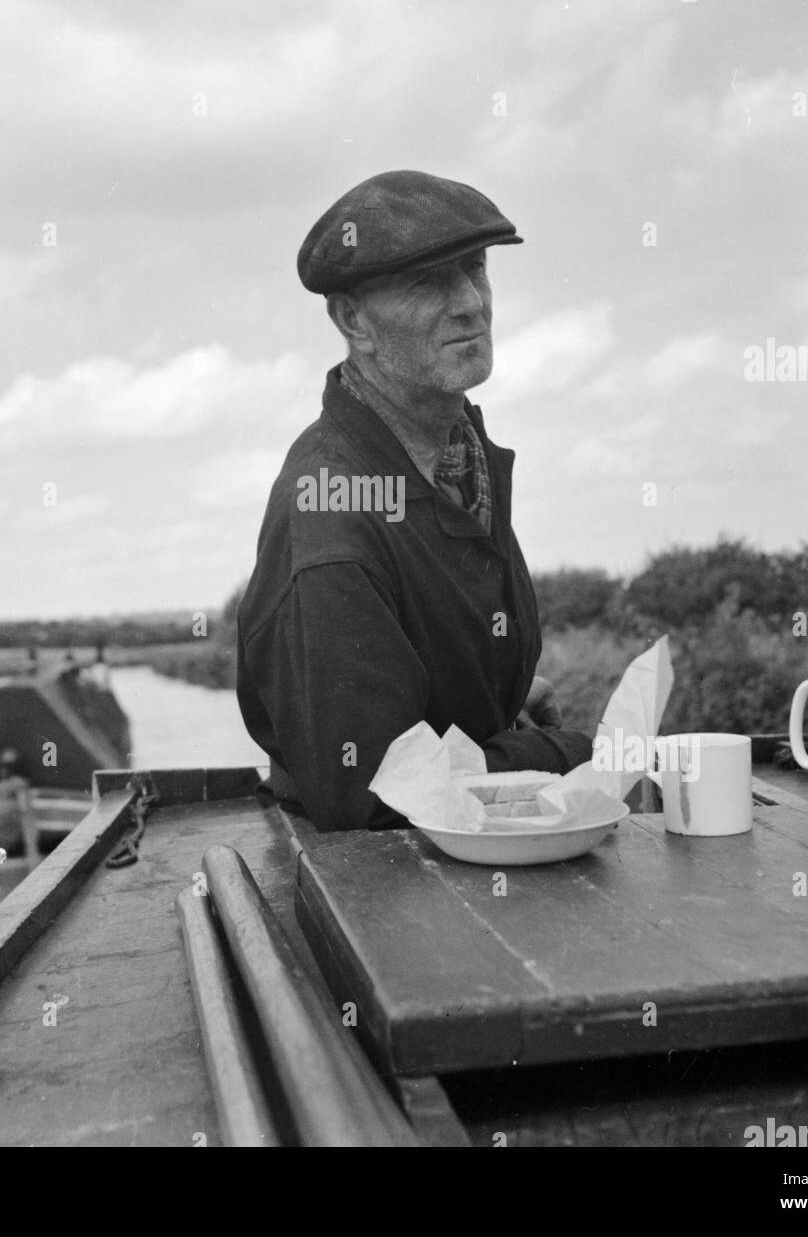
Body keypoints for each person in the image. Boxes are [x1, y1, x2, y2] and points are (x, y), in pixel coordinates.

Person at [236, 169, 593, 832]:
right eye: (427, 283)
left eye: (475, 269)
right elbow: (372, 790)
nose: (470, 304)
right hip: (376, 895)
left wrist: (492, 708)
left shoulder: (456, 460)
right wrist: (558, 753)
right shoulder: (330, 515)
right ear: (353, 320)